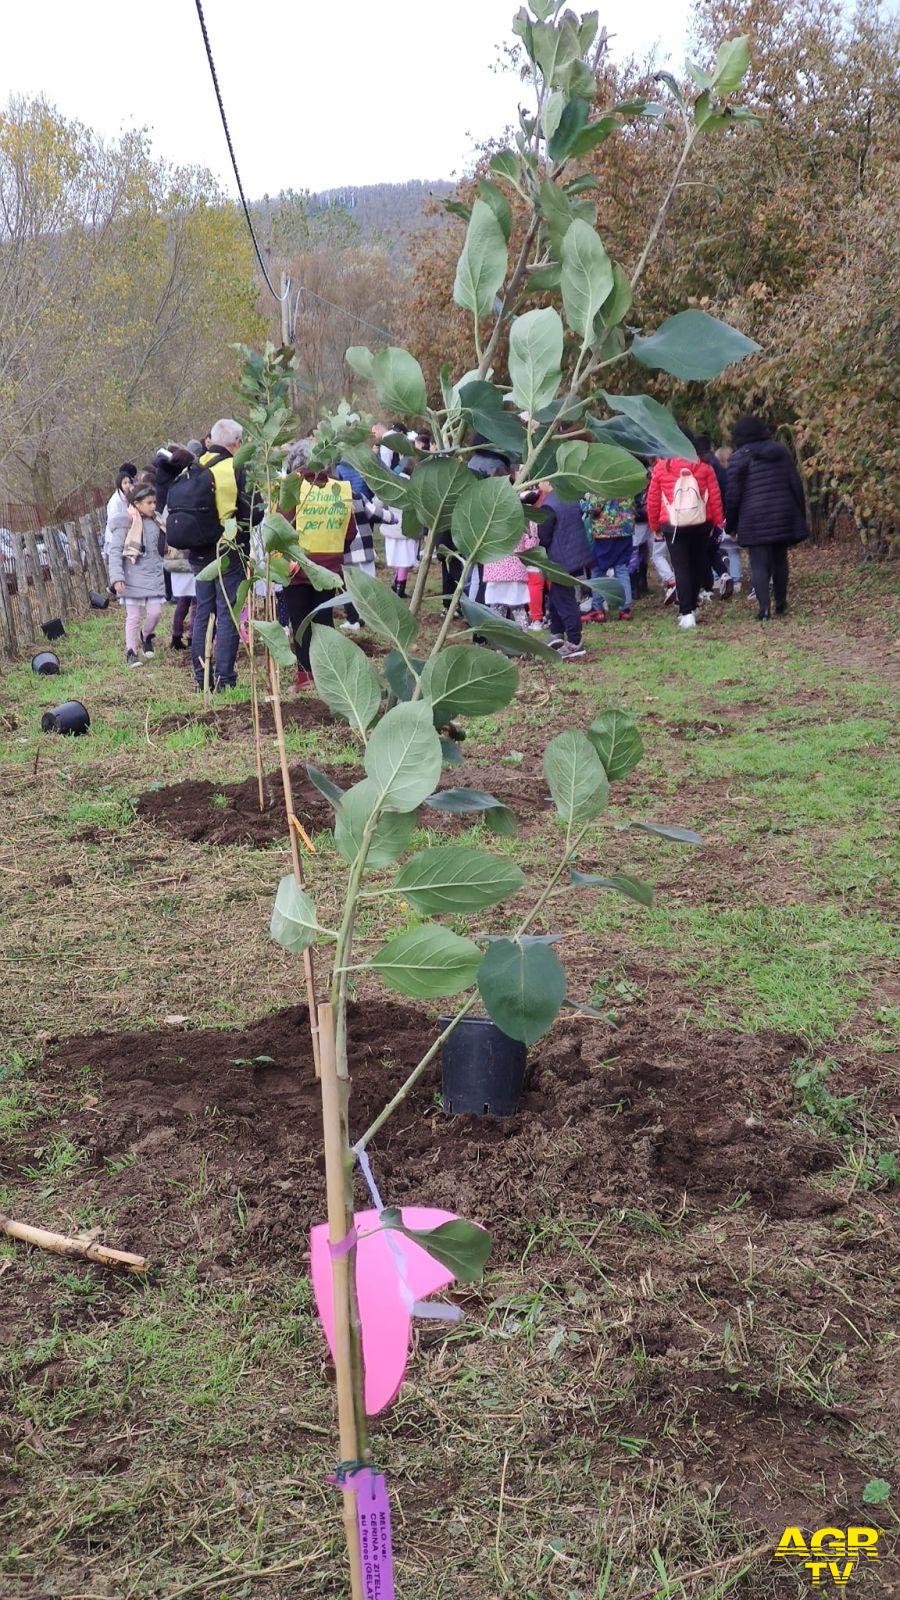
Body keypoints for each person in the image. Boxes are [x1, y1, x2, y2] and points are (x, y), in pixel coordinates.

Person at [166, 418, 261, 692]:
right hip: (227, 551)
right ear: (236, 443)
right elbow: (248, 513)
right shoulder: (234, 467)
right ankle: (225, 679)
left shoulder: (195, 465)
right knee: (227, 612)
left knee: (203, 611)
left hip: (197, 552)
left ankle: (201, 677)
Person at [282, 439, 359, 689]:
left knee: (300, 622)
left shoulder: (292, 489)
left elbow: (280, 529)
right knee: (324, 622)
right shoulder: (340, 489)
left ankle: (305, 677)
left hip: (296, 569)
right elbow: (350, 532)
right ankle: (327, 677)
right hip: (328, 569)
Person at [726, 416, 808, 620]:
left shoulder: (738, 458)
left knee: (758, 563)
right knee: (780, 559)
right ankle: (781, 602)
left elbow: (733, 495)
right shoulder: (780, 452)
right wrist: (799, 512)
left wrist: (731, 524)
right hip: (782, 513)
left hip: (753, 517)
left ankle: (764, 609)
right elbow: (795, 483)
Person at [646, 452, 725, 629]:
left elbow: (653, 499)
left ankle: (686, 612)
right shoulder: (704, 466)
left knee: (681, 567)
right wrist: (718, 521)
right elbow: (715, 496)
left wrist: (654, 525)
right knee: (697, 563)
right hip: (701, 522)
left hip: (672, 524)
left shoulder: (662, 467)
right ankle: (694, 606)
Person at [107, 483, 167, 667]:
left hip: (153, 576)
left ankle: (146, 635)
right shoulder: (125, 522)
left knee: (155, 613)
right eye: (148, 502)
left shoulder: (158, 521)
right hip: (132, 576)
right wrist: (117, 577)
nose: (153, 506)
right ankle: (131, 652)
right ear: (137, 503)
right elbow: (115, 551)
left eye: (154, 502)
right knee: (132, 617)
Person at [537, 488, 591, 660]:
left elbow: (544, 536)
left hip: (560, 558)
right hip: (575, 553)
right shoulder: (569, 496)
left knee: (564, 599)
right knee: (555, 596)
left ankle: (575, 641)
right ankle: (557, 633)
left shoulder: (548, 506)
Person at [583, 496, 635, 621]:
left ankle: (598, 609)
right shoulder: (626, 478)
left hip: (605, 532)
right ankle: (625, 609)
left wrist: (582, 503)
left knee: (598, 570)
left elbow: (594, 508)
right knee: (621, 568)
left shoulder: (600, 482)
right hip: (625, 528)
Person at [103, 465, 137, 576]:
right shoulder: (115, 501)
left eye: (129, 482)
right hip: (115, 538)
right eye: (125, 483)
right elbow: (114, 522)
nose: (128, 485)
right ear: (120, 484)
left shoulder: (127, 498)